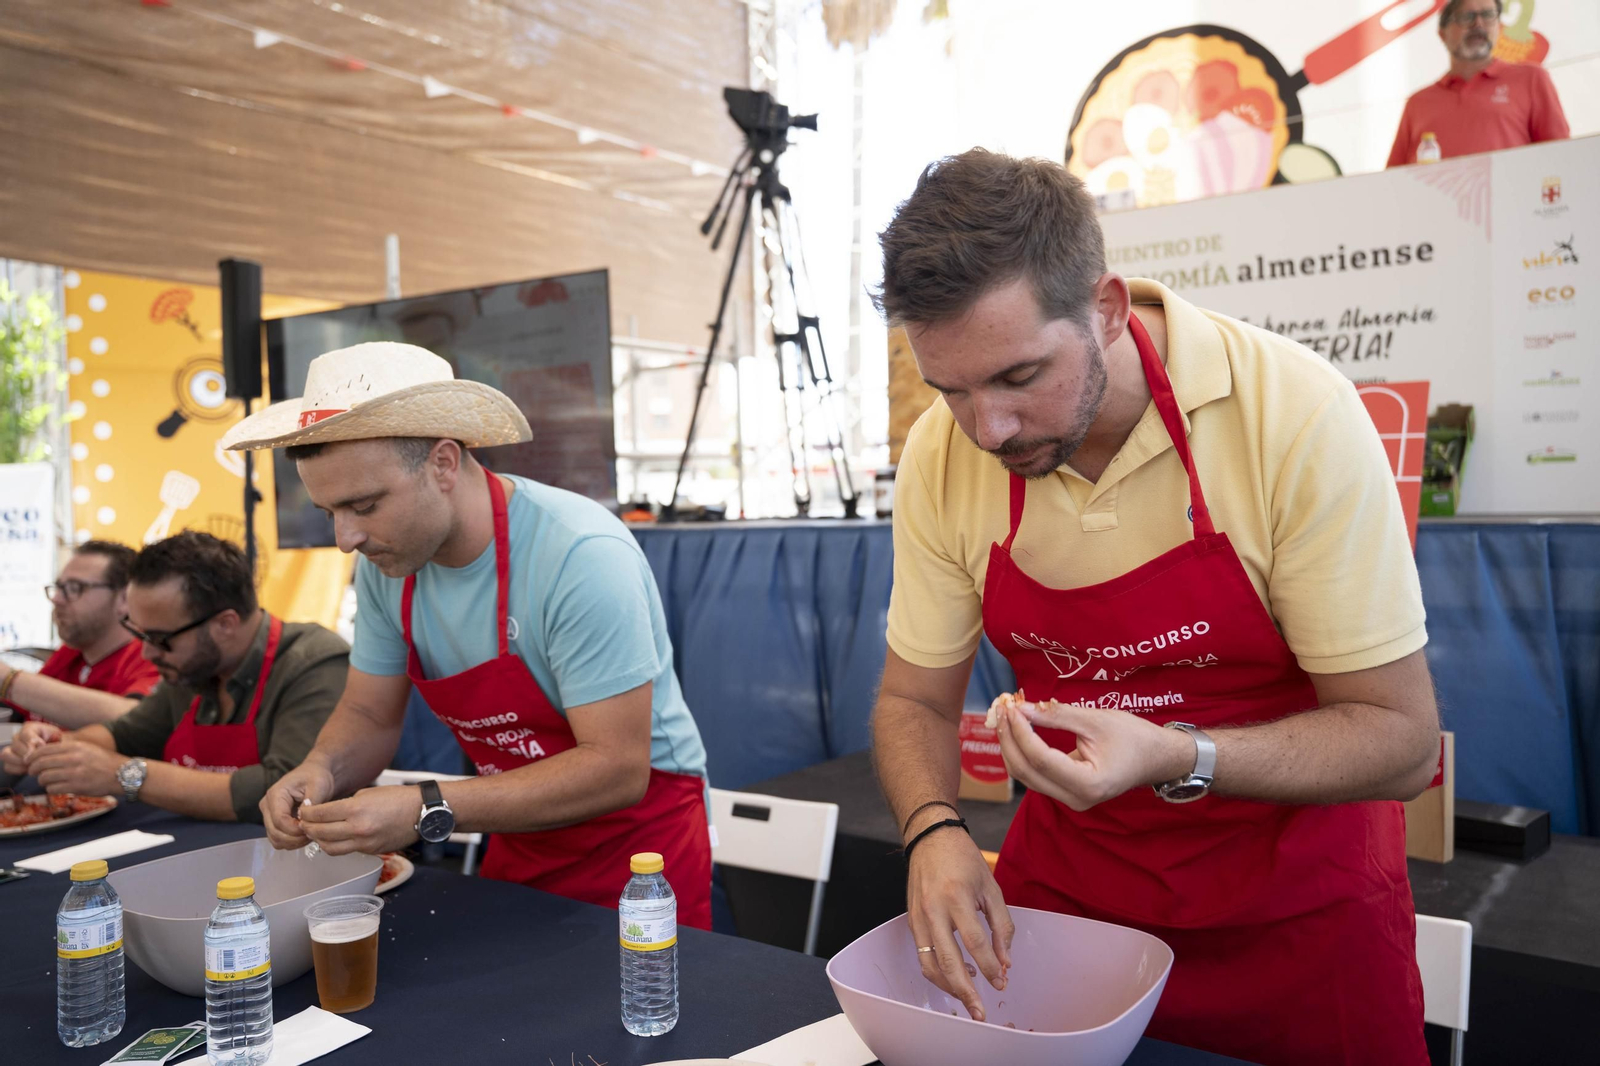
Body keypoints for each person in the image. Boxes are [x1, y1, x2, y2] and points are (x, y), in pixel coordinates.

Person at [871, 150, 1439, 1066]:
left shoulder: (1293, 417)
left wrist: (1177, 755)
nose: (989, 430)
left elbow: (1402, 741)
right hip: (1071, 921)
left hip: (1299, 924)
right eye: (951, 389)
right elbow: (914, 702)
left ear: (1104, 308)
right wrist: (934, 832)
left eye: (1019, 377)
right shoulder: (944, 458)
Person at [225, 343, 713, 928]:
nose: (345, 538)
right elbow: (369, 713)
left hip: (639, 855)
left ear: (444, 464)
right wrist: (320, 769)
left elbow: (616, 767)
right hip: (516, 831)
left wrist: (426, 806)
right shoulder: (387, 567)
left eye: (364, 505)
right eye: (329, 511)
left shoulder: (580, 555)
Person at [1, 532, 349, 822]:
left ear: (225, 624)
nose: (148, 653)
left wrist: (125, 775)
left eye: (160, 639)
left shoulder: (313, 663)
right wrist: (56, 747)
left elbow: (282, 789)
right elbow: (125, 735)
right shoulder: (191, 670)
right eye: (139, 635)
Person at [1386, 0, 1568, 166]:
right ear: (1443, 34)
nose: (1478, 24)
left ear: (1499, 27)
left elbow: (1562, 159)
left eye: (1488, 15)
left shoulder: (1532, 78)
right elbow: (1392, 184)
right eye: (1467, 16)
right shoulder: (1418, 103)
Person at [2, 540, 159, 728]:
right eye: (59, 587)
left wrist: (9, 681)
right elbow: (17, 709)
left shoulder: (150, 656)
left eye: (75, 588)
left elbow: (138, 721)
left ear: (125, 598)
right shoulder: (72, 653)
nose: (58, 599)